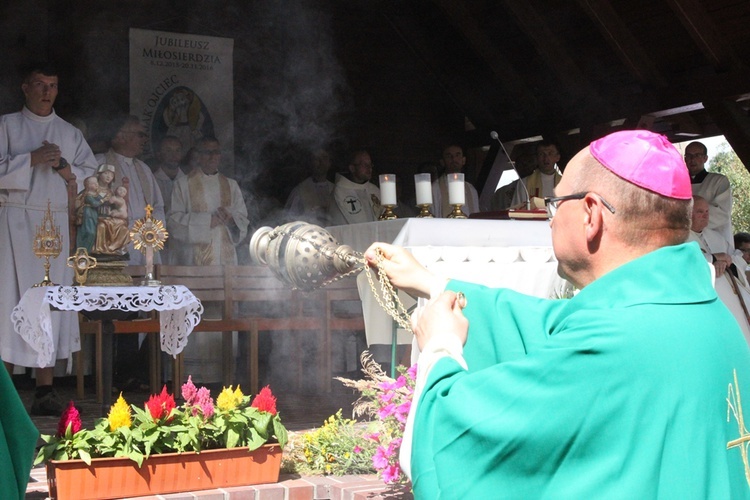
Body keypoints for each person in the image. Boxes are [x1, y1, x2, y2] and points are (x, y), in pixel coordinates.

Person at [365, 130, 750, 497]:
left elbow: (454, 440)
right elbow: (551, 325)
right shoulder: (704, 314)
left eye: (555, 204)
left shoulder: (613, 343)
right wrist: (433, 283)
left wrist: (439, 346)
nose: (551, 218)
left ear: (590, 215)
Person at [0, 63, 97, 415]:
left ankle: (45, 389)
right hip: (14, 224)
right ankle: (4, 388)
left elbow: (91, 178)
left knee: (47, 304)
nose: (46, 91)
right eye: (39, 84)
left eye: (53, 85)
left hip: (55, 226)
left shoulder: (69, 133)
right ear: (25, 87)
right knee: (10, 302)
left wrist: (64, 169)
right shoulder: (7, 125)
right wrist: (29, 160)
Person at [168, 136, 248, 383]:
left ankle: (223, 375)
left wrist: (231, 220)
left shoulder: (230, 185)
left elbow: (243, 220)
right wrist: (207, 222)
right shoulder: (183, 184)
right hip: (195, 263)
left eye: (217, 153)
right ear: (198, 156)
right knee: (196, 314)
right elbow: (173, 221)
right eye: (208, 153)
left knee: (222, 314)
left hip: (225, 264)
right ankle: (192, 377)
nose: (214, 157)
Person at [96, 114, 165, 265]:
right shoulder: (99, 165)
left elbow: (158, 206)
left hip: (146, 241)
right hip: (116, 241)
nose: (144, 140)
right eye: (140, 135)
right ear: (120, 136)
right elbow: (91, 206)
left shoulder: (144, 169)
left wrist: (150, 227)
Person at [685, 140, 733, 248]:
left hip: (716, 240)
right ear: (685, 159)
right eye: (689, 155)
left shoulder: (718, 181)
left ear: (705, 158)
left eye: (697, 155)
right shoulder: (678, 183)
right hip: (687, 239)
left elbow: (722, 213)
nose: (692, 159)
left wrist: (691, 220)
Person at [328, 150, 381, 225]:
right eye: (365, 165)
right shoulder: (340, 191)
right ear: (352, 168)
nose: (369, 168)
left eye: (370, 164)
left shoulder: (374, 190)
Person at [285, 149, 334, 226]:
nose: (321, 162)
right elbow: (290, 220)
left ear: (329, 163)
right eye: (317, 159)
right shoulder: (300, 190)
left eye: (324, 158)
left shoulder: (336, 189)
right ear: (311, 163)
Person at [431, 144, 479, 217]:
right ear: (442, 162)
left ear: (463, 160)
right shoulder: (435, 188)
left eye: (457, 155)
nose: (454, 159)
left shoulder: (471, 189)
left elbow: (476, 216)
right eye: (449, 156)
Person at [510, 140, 563, 208]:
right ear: (537, 158)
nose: (546, 158)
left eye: (550, 153)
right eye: (541, 154)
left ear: (557, 157)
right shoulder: (525, 183)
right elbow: (517, 210)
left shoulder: (565, 183)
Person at [75, 175, 106, 252]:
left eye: (96, 183)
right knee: (90, 232)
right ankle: (82, 251)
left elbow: (101, 199)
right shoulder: (87, 195)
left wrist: (106, 198)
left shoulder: (96, 194)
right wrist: (103, 200)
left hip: (94, 214)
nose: (96, 185)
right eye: (93, 183)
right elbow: (94, 203)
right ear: (88, 185)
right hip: (87, 213)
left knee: (94, 232)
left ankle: (88, 252)